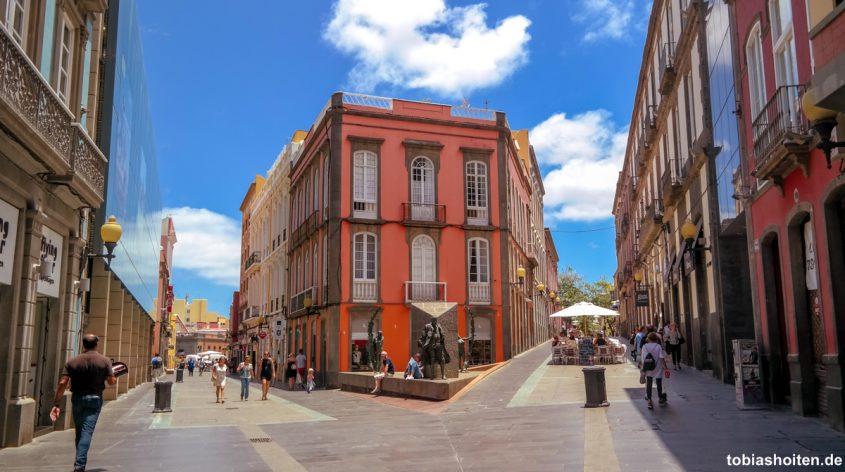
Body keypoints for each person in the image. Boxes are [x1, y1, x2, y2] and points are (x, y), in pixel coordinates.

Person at [50, 334, 116, 472]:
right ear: (96, 344)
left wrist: (56, 403)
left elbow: (62, 383)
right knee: (86, 432)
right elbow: (111, 381)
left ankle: (79, 461)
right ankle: (79, 466)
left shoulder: (72, 362)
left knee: (80, 432)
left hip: (78, 399)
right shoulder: (104, 361)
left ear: (84, 345)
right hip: (95, 399)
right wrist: (110, 377)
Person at [640, 332, 670, 410]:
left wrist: (643, 369)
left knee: (649, 384)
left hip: (648, 368)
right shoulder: (658, 346)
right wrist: (666, 368)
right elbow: (661, 358)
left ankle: (649, 400)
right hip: (658, 368)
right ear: (656, 339)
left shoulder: (644, 347)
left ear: (648, 339)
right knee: (659, 384)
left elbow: (643, 359)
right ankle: (660, 398)